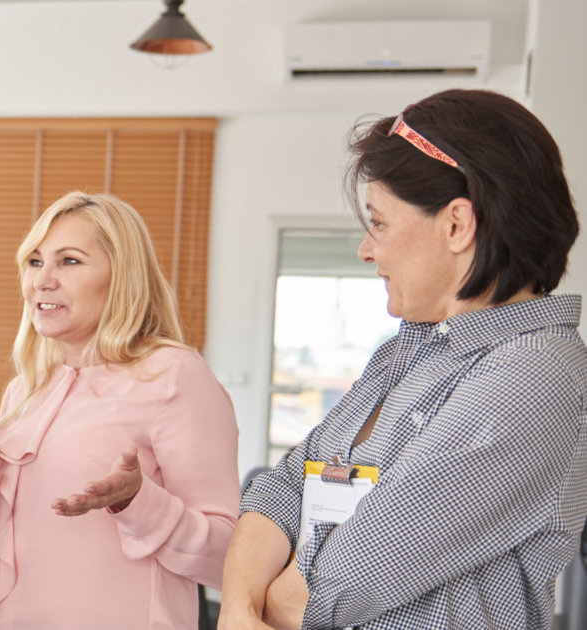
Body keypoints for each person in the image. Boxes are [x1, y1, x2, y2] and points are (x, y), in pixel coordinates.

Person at [221, 89, 587, 630]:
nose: (367, 249)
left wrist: (262, 602)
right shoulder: (405, 352)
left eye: (381, 222)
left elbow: (347, 576)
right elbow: (285, 484)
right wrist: (237, 607)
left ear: (458, 225)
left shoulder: (533, 374)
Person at [0, 191, 240, 630]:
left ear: (122, 275)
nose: (42, 280)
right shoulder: (25, 390)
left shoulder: (175, 375)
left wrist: (136, 500)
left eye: (69, 261)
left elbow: (228, 560)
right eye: (35, 261)